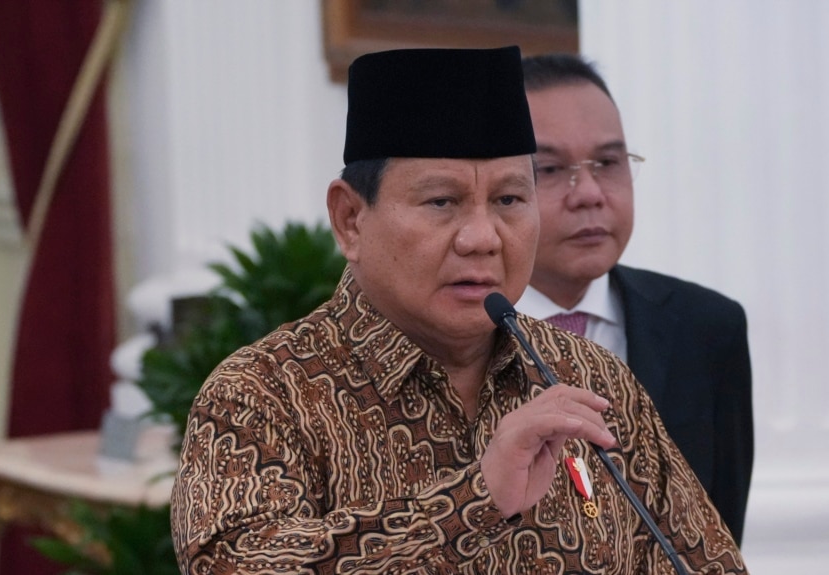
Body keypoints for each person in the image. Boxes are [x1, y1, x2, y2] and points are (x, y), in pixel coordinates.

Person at [170, 46, 747, 574]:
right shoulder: (264, 394)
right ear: (350, 219)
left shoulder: (590, 379)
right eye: (442, 202)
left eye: (509, 199)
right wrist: (475, 500)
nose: (482, 238)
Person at [515, 53, 754, 545]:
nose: (589, 193)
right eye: (551, 169)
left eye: (607, 163)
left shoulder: (707, 328)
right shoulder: (448, 338)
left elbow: (720, 535)